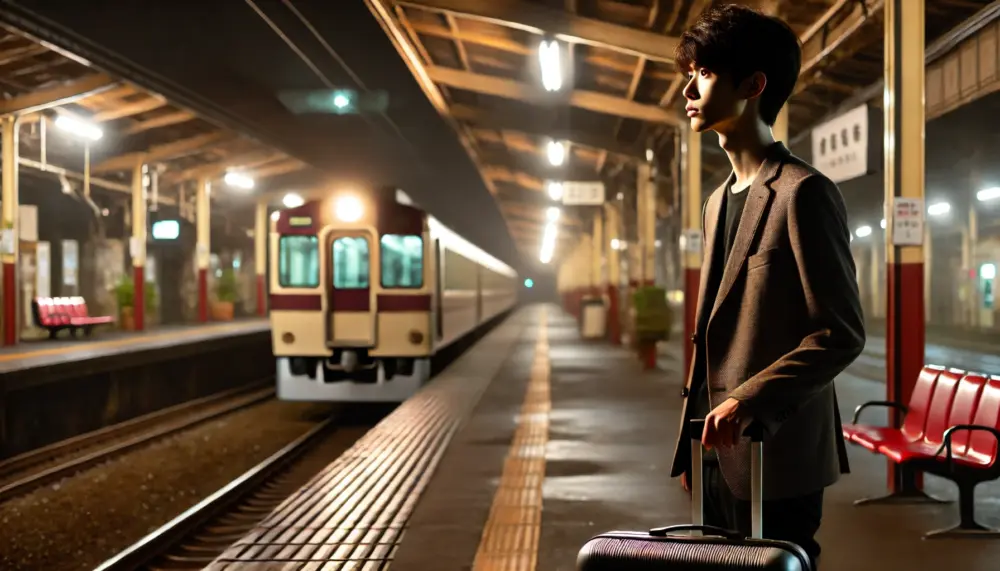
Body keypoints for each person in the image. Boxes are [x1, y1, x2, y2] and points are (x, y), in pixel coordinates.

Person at [667, 5, 866, 569]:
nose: (688, 86)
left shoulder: (805, 193)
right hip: (715, 451)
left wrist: (744, 400)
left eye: (704, 73)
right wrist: (689, 443)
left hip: (777, 454)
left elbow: (841, 333)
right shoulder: (715, 201)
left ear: (754, 85)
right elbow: (713, 330)